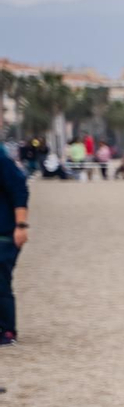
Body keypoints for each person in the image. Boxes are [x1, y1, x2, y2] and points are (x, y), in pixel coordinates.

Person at [0, 141, 27, 346]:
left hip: (5, 233)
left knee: (0, 281)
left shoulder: (3, 162)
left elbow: (20, 190)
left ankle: (8, 330)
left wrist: (21, 225)